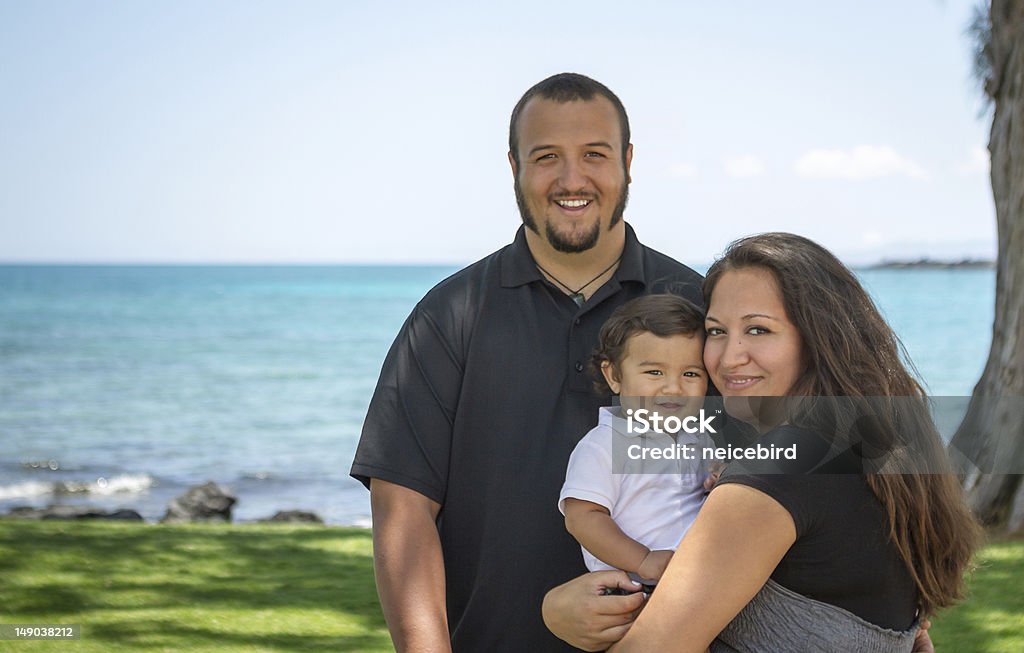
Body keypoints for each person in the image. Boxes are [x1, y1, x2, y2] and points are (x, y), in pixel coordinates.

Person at [350, 73, 703, 651]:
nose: (572, 179)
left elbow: (796, 472)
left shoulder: (698, 306)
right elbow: (403, 508)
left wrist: (910, 595)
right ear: (513, 165)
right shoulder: (449, 315)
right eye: (546, 157)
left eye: (594, 154)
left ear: (628, 162)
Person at [543, 232, 980, 652]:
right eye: (716, 331)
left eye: (758, 330)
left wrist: (552, 614)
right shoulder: (873, 448)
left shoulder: (778, 470)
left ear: (818, 338)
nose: (729, 357)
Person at [560, 294, 712, 589]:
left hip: (696, 584)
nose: (673, 388)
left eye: (691, 373)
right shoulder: (602, 446)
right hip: (632, 587)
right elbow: (582, 518)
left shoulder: (701, 435)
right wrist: (642, 560)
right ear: (614, 375)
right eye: (654, 372)